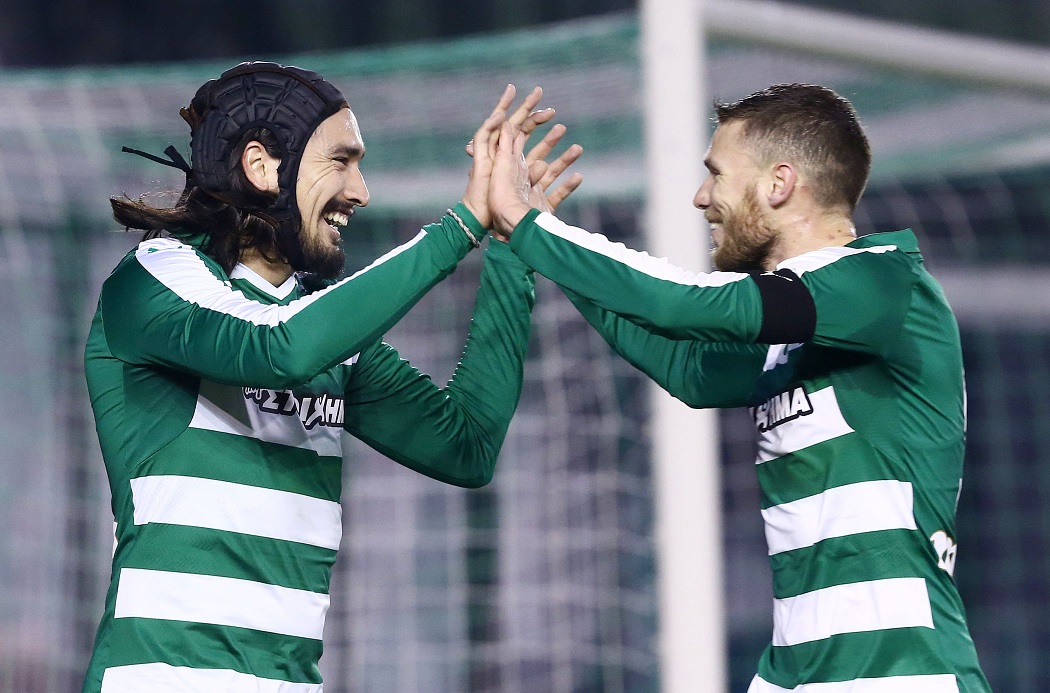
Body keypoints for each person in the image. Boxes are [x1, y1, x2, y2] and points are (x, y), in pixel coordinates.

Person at [81, 62, 581, 693]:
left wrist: (509, 250)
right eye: (341, 161)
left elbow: (466, 447)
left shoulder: (321, 324)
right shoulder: (154, 278)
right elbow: (278, 348)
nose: (361, 191)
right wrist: (458, 227)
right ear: (261, 166)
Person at [484, 83, 991, 692]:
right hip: (792, 671)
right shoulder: (804, 325)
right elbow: (687, 367)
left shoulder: (881, 283)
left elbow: (683, 304)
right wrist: (545, 247)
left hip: (901, 668)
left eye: (716, 174)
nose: (701, 198)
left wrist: (532, 227)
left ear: (779, 183)